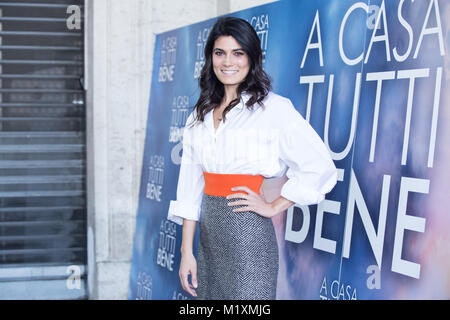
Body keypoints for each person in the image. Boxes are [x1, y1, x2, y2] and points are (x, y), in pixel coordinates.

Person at [167, 16, 337, 300]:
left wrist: (274, 206)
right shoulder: (199, 116)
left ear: (252, 58)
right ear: (210, 58)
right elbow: (189, 189)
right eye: (219, 53)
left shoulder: (274, 109)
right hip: (210, 241)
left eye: (238, 53)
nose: (227, 62)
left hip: (249, 239)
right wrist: (187, 252)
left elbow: (320, 167)